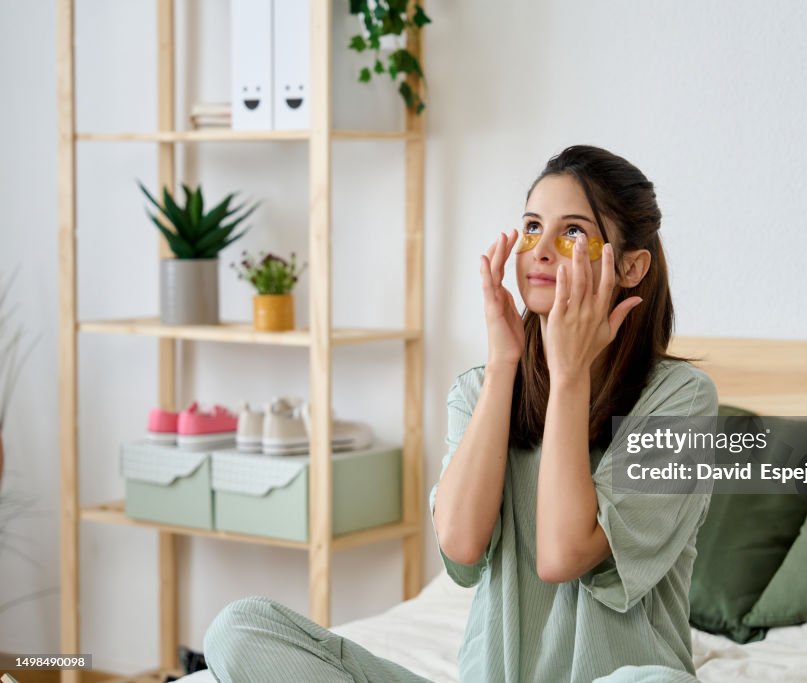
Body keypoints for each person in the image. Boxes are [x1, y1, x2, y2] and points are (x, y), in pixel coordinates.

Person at [202, 145, 717, 682]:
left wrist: (568, 377)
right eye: (532, 227)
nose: (541, 251)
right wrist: (502, 365)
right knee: (240, 628)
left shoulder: (684, 402)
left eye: (572, 232)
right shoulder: (479, 389)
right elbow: (462, 546)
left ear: (631, 267)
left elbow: (561, 556)